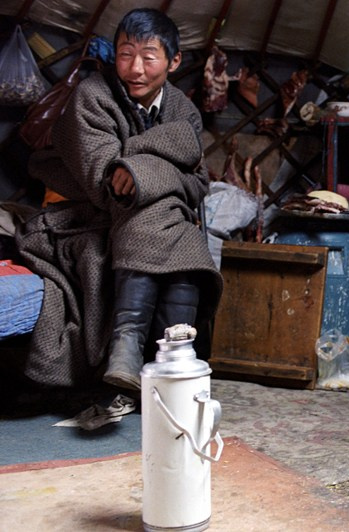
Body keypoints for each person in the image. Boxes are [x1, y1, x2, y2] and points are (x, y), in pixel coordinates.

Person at [17, 8, 222, 390]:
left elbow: (198, 185)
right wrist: (157, 162)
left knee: (164, 218)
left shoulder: (184, 111)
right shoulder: (92, 95)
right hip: (83, 216)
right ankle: (171, 361)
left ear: (173, 61)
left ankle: (129, 349)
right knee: (174, 227)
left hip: (140, 220)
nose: (136, 68)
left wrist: (136, 167)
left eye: (149, 56)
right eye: (126, 54)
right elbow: (104, 182)